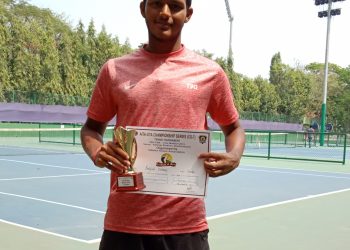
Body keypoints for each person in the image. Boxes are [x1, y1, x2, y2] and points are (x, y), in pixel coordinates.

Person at [80, 0, 246, 249]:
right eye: (157, 3)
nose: (165, 13)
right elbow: (91, 128)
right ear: (143, 8)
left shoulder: (210, 73)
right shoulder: (114, 70)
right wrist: (97, 151)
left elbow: (233, 128)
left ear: (188, 14)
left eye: (175, 6)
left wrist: (234, 155)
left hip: (186, 227)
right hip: (124, 226)